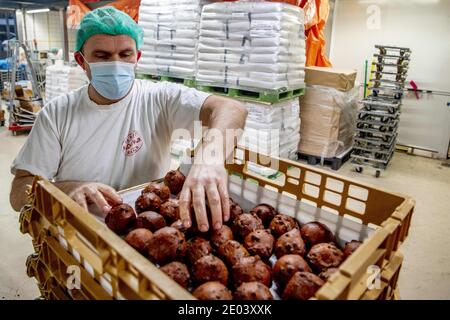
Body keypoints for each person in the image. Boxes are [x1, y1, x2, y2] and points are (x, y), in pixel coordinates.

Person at [9, 7, 247, 233]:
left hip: (150, 230)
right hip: (83, 239)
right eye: (102, 56)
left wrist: (210, 159)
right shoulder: (57, 114)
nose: (115, 63)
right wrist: (68, 188)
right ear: (82, 61)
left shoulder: (159, 98)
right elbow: (19, 192)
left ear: (137, 57)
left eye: (125, 54)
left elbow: (232, 109)